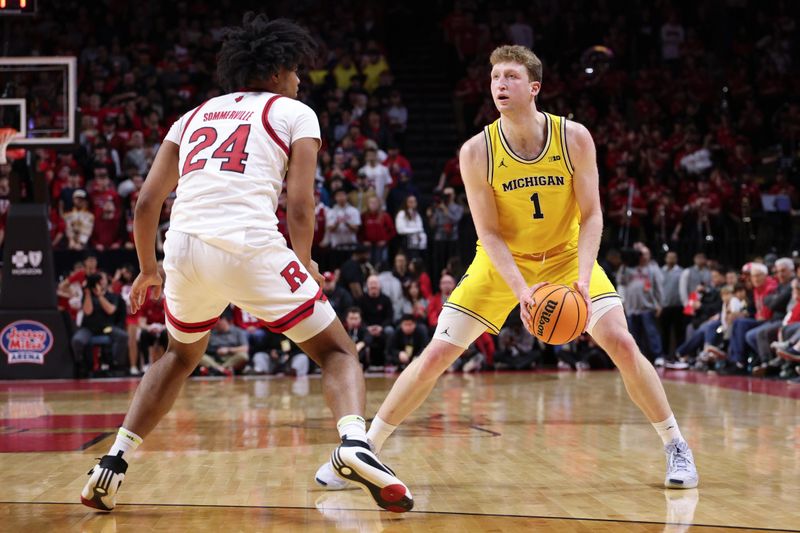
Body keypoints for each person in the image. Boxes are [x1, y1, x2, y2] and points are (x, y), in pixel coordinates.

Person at [316, 44, 698, 491]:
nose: (500, 84)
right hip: (502, 265)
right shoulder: (477, 151)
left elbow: (593, 214)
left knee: (620, 340)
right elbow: (489, 233)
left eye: (511, 77)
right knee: (436, 354)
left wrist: (580, 274)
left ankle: (675, 444)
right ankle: (364, 452)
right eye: (495, 77)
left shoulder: (574, 137)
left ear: (534, 87)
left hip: (564, 257)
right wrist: (522, 290)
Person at [80, 15, 412, 514]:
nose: (300, 80)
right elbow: (299, 206)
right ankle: (354, 444)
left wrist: (149, 269)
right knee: (338, 352)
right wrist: (303, 264)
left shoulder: (192, 116)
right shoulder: (296, 114)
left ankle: (114, 460)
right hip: (251, 246)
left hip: (185, 249)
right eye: (296, 70)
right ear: (277, 71)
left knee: (177, 357)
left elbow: (146, 203)